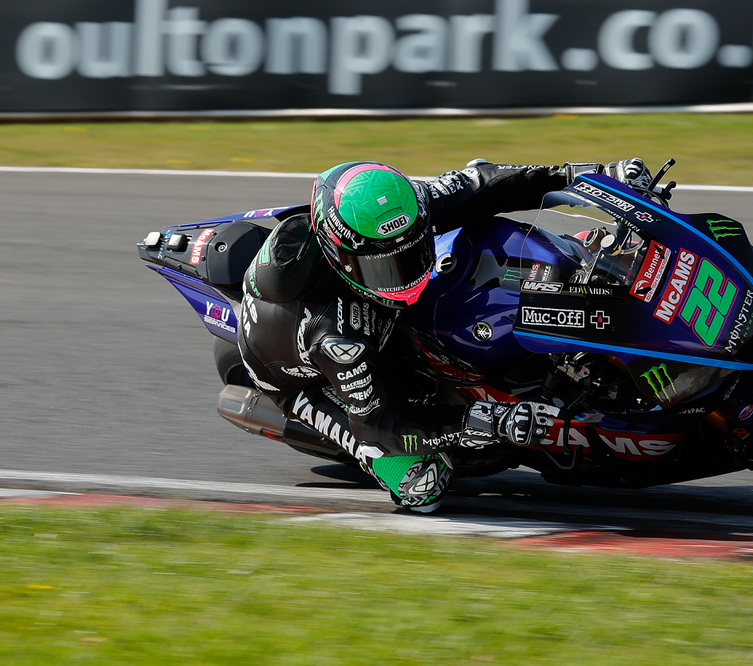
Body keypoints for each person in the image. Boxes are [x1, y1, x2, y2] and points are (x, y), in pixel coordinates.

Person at [236, 157, 654, 512]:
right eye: (386, 267)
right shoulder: (335, 332)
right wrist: (490, 420)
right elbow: (383, 425)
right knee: (423, 487)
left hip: (379, 319)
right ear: (342, 259)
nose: (405, 275)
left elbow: (488, 183)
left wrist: (595, 178)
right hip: (307, 381)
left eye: (412, 252)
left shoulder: (406, 207)